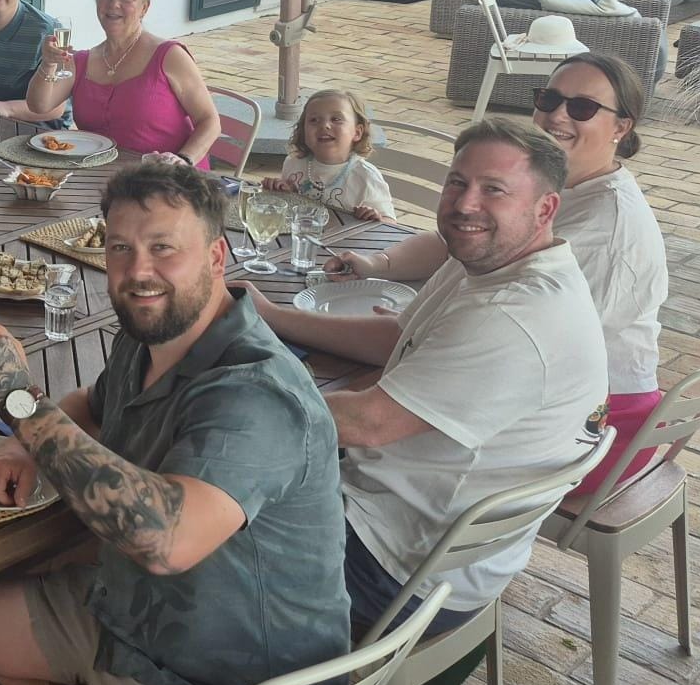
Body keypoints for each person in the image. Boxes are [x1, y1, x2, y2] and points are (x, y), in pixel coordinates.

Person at [0, 164, 349, 685]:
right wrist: (27, 443)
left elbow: (165, 540)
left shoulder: (256, 395)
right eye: (120, 249)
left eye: (164, 248)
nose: (138, 272)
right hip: (142, 624)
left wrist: (19, 401)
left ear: (216, 257)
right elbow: (95, 405)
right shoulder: (153, 333)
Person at [248, 119, 607, 640]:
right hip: (425, 533)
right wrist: (272, 317)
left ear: (545, 208)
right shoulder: (487, 262)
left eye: (494, 190)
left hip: (398, 570)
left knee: (186, 518)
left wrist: (212, 396)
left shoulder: (512, 314)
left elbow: (365, 423)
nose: (465, 204)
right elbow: (397, 336)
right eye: (457, 182)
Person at [325, 55, 664, 496]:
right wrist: (381, 265)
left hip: (593, 429)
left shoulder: (603, 230)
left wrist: (425, 327)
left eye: (582, 107)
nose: (558, 115)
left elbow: (507, 338)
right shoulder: (561, 182)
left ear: (621, 126)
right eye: (550, 99)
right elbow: (453, 242)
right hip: (529, 398)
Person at [23, 0, 221, 167]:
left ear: (144, 7)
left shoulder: (169, 55)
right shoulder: (81, 61)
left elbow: (209, 120)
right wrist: (48, 63)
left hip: (166, 175)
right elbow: (39, 106)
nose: (113, 5)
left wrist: (184, 159)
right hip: (100, 175)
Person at [264, 87, 396, 221]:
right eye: (314, 120)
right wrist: (283, 191)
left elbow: (390, 223)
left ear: (357, 132)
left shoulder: (366, 177)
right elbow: (289, 208)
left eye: (336, 119)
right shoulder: (294, 162)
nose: (325, 125)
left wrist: (376, 218)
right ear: (303, 130)